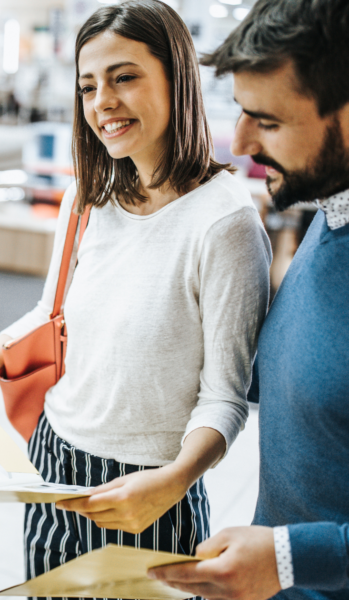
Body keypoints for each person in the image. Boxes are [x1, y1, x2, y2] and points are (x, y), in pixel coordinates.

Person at [0, 0, 271, 595]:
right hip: (56, 465)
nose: (103, 102)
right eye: (88, 85)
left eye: (124, 77)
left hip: (152, 489)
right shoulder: (88, 196)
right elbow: (52, 315)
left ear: (177, 77)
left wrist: (174, 481)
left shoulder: (224, 222)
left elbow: (225, 398)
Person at [149, 1, 349, 599]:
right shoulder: (331, 208)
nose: (239, 142)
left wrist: (290, 558)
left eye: (267, 120)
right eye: (240, 110)